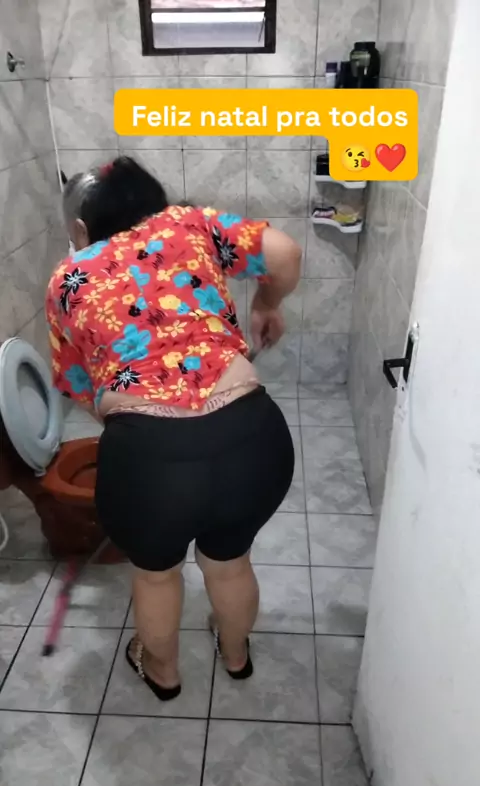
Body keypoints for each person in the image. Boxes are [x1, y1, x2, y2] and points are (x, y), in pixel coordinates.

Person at [46, 156, 302, 701]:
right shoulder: (189, 222)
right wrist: (267, 303)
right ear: (155, 202)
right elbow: (285, 252)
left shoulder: (69, 277)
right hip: (253, 439)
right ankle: (236, 655)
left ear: (82, 229)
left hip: (150, 461)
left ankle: (163, 674)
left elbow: (79, 388)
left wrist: (141, 425)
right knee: (229, 563)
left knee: (157, 575)